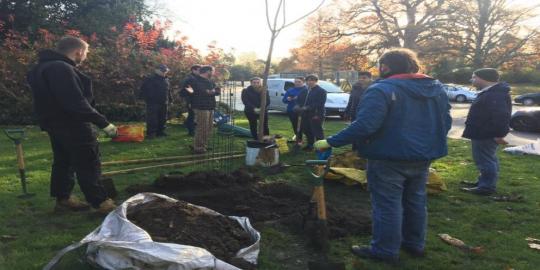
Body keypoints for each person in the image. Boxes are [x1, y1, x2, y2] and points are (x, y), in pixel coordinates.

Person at [314, 48, 452, 263]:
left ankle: (385, 251)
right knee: (415, 201)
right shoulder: (436, 88)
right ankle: (414, 244)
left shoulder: (381, 89)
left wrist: (330, 141)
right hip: (423, 156)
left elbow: (366, 125)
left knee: (387, 205)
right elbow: (446, 122)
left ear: (385, 67)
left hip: (388, 157)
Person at [27, 36, 118, 214]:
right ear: (79, 52)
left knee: (63, 162)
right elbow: (75, 102)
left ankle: (64, 199)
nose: (85, 56)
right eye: (86, 53)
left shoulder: (40, 68)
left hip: (54, 124)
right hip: (73, 124)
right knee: (88, 162)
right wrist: (103, 123)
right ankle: (101, 203)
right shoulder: (61, 68)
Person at [460, 68, 511, 195]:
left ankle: (486, 187)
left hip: (486, 134)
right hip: (483, 133)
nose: (471, 80)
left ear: (483, 78)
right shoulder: (492, 92)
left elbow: (501, 117)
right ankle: (484, 182)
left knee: (485, 160)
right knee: (488, 159)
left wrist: (498, 135)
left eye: (474, 77)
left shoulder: (494, 94)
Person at [189, 65, 220, 154]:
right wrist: (211, 92)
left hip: (210, 106)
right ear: (208, 71)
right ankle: (198, 147)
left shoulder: (210, 81)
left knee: (209, 127)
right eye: (212, 71)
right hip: (200, 106)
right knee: (202, 127)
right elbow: (203, 92)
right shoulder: (196, 81)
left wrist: (211, 92)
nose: (213, 73)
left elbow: (217, 91)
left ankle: (203, 144)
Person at [295, 74, 327, 151]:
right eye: (308, 80)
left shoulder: (321, 91)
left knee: (317, 131)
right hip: (305, 114)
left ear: (316, 81)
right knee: (307, 130)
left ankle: (321, 148)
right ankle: (310, 145)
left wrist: (308, 108)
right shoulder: (305, 90)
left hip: (316, 114)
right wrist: (298, 106)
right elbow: (299, 100)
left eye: (312, 80)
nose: (310, 82)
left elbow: (320, 103)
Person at [139, 64, 171, 139]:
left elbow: (168, 90)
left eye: (165, 71)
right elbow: (144, 90)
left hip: (164, 102)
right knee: (152, 118)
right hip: (153, 102)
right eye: (162, 71)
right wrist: (147, 99)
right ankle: (151, 133)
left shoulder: (166, 79)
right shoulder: (150, 79)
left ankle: (161, 132)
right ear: (156, 70)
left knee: (163, 118)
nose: (164, 72)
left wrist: (170, 99)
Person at [345, 71, 372, 150]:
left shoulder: (374, 88)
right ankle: (355, 149)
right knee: (354, 131)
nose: (361, 80)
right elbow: (351, 100)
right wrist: (347, 111)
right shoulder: (355, 87)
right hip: (354, 113)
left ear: (370, 78)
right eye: (360, 78)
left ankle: (365, 149)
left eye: (364, 78)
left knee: (365, 133)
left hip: (367, 114)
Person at [179, 64, 201, 136]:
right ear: (193, 70)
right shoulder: (189, 78)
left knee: (192, 115)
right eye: (199, 70)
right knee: (192, 115)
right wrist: (190, 100)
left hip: (194, 99)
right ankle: (191, 131)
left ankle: (188, 126)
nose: (200, 72)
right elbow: (188, 90)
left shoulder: (196, 78)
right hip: (190, 99)